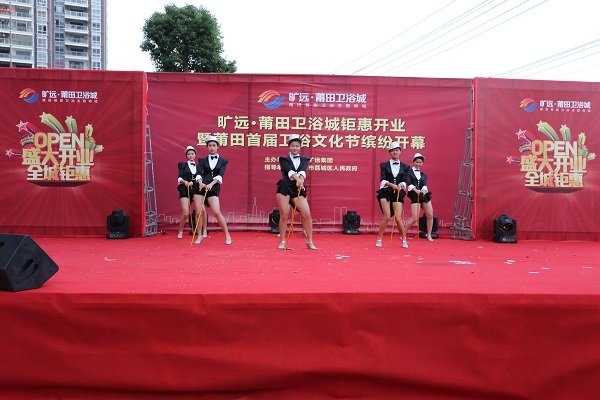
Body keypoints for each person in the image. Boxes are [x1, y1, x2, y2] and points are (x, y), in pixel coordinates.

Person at [276, 134, 317, 250]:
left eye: (297, 146)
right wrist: (298, 179)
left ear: (300, 147)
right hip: (285, 188)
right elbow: (289, 171)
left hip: (298, 189)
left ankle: (309, 241)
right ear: (289, 147)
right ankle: (282, 241)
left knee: (307, 214)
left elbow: (303, 171)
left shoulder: (305, 159)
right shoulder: (283, 159)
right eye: (293, 146)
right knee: (284, 215)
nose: (295, 148)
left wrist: (301, 179)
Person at [197, 136, 232, 245]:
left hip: (213, 187)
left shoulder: (223, 161)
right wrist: (201, 183)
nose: (212, 147)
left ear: (218, 147)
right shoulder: (202, 160)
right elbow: (198, 173)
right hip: (201, 187)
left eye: (214, 145)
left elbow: (220, 175)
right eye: (209, 145)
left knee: (216, 212)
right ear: (207, 147)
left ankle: (227, 235)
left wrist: (211, 184)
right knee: (198, 212)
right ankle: (199, 236)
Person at [375, 141, 410, 248]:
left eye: (397, 150)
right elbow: (383, 179)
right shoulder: (384, 165)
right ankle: (379, 238)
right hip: (386, 191)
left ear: (400, 151)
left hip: (398, 192)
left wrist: (401, 185)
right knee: (387, 216)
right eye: (392, 150)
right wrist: (392, 185)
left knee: (398, 218)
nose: (395, 152)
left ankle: (404, 239)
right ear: (389, 152)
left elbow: (405, 180)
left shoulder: (405, 166)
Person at [404, 153, 435, 241]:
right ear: (413, 162)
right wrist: (416, 190)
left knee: (430, 215)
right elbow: (409, 183)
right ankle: (403, 233)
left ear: (422, 163)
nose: (418, 164)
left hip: (424, 195)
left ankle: (429, 235)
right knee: (415, 218)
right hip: (414, 195)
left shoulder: (423, 174)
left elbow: (424, 185)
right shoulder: (408, 172)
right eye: (417, 162)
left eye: (420, 162)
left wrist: (424, 190)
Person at [177, 145, 204, 244]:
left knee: (200, 211)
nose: (190, 155)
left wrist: (195, 182)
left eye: (192, 154)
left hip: (196, 189)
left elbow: (199, 177)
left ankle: (199, 233)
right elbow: (179, 177)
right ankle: (180, 231)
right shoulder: (182, 165)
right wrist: (185, 182)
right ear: (186, 155)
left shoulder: (199, 166)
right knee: (185, 212)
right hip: (185, 189)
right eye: (188, 154)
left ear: (195, 155)